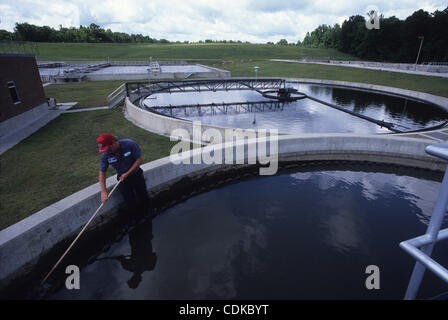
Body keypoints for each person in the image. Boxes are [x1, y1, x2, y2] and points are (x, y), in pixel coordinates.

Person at [97, 133, 150, 219]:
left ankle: (148, 214)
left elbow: (139, 159)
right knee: (129, 201)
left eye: (109, 148)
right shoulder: (106, 155)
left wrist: (128, 173)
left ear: (114, 142)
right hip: (122, 179)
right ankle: (136, 219)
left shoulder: (129, 144)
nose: (108, 151)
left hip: (136, 175)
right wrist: (103, 191)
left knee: (143, 196)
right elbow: (102, 172)